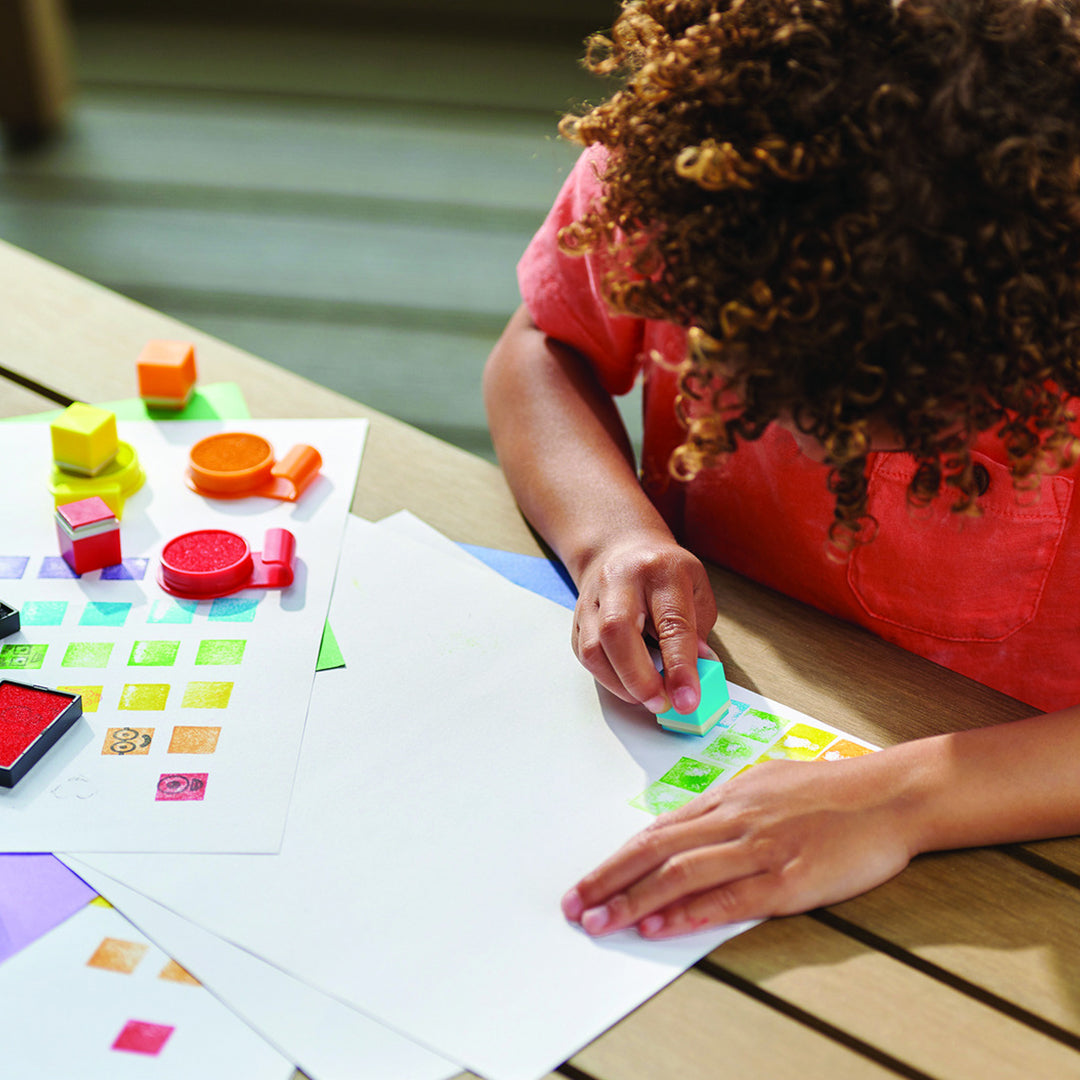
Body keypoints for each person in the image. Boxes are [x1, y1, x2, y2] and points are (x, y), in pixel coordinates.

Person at [483, 0, 1080, 940]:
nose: (808, 441)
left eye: (906, 408)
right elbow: (542, 348)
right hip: (749, 720)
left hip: (1025, 839)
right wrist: (611, 535)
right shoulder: (691, 174)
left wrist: (901, 799)